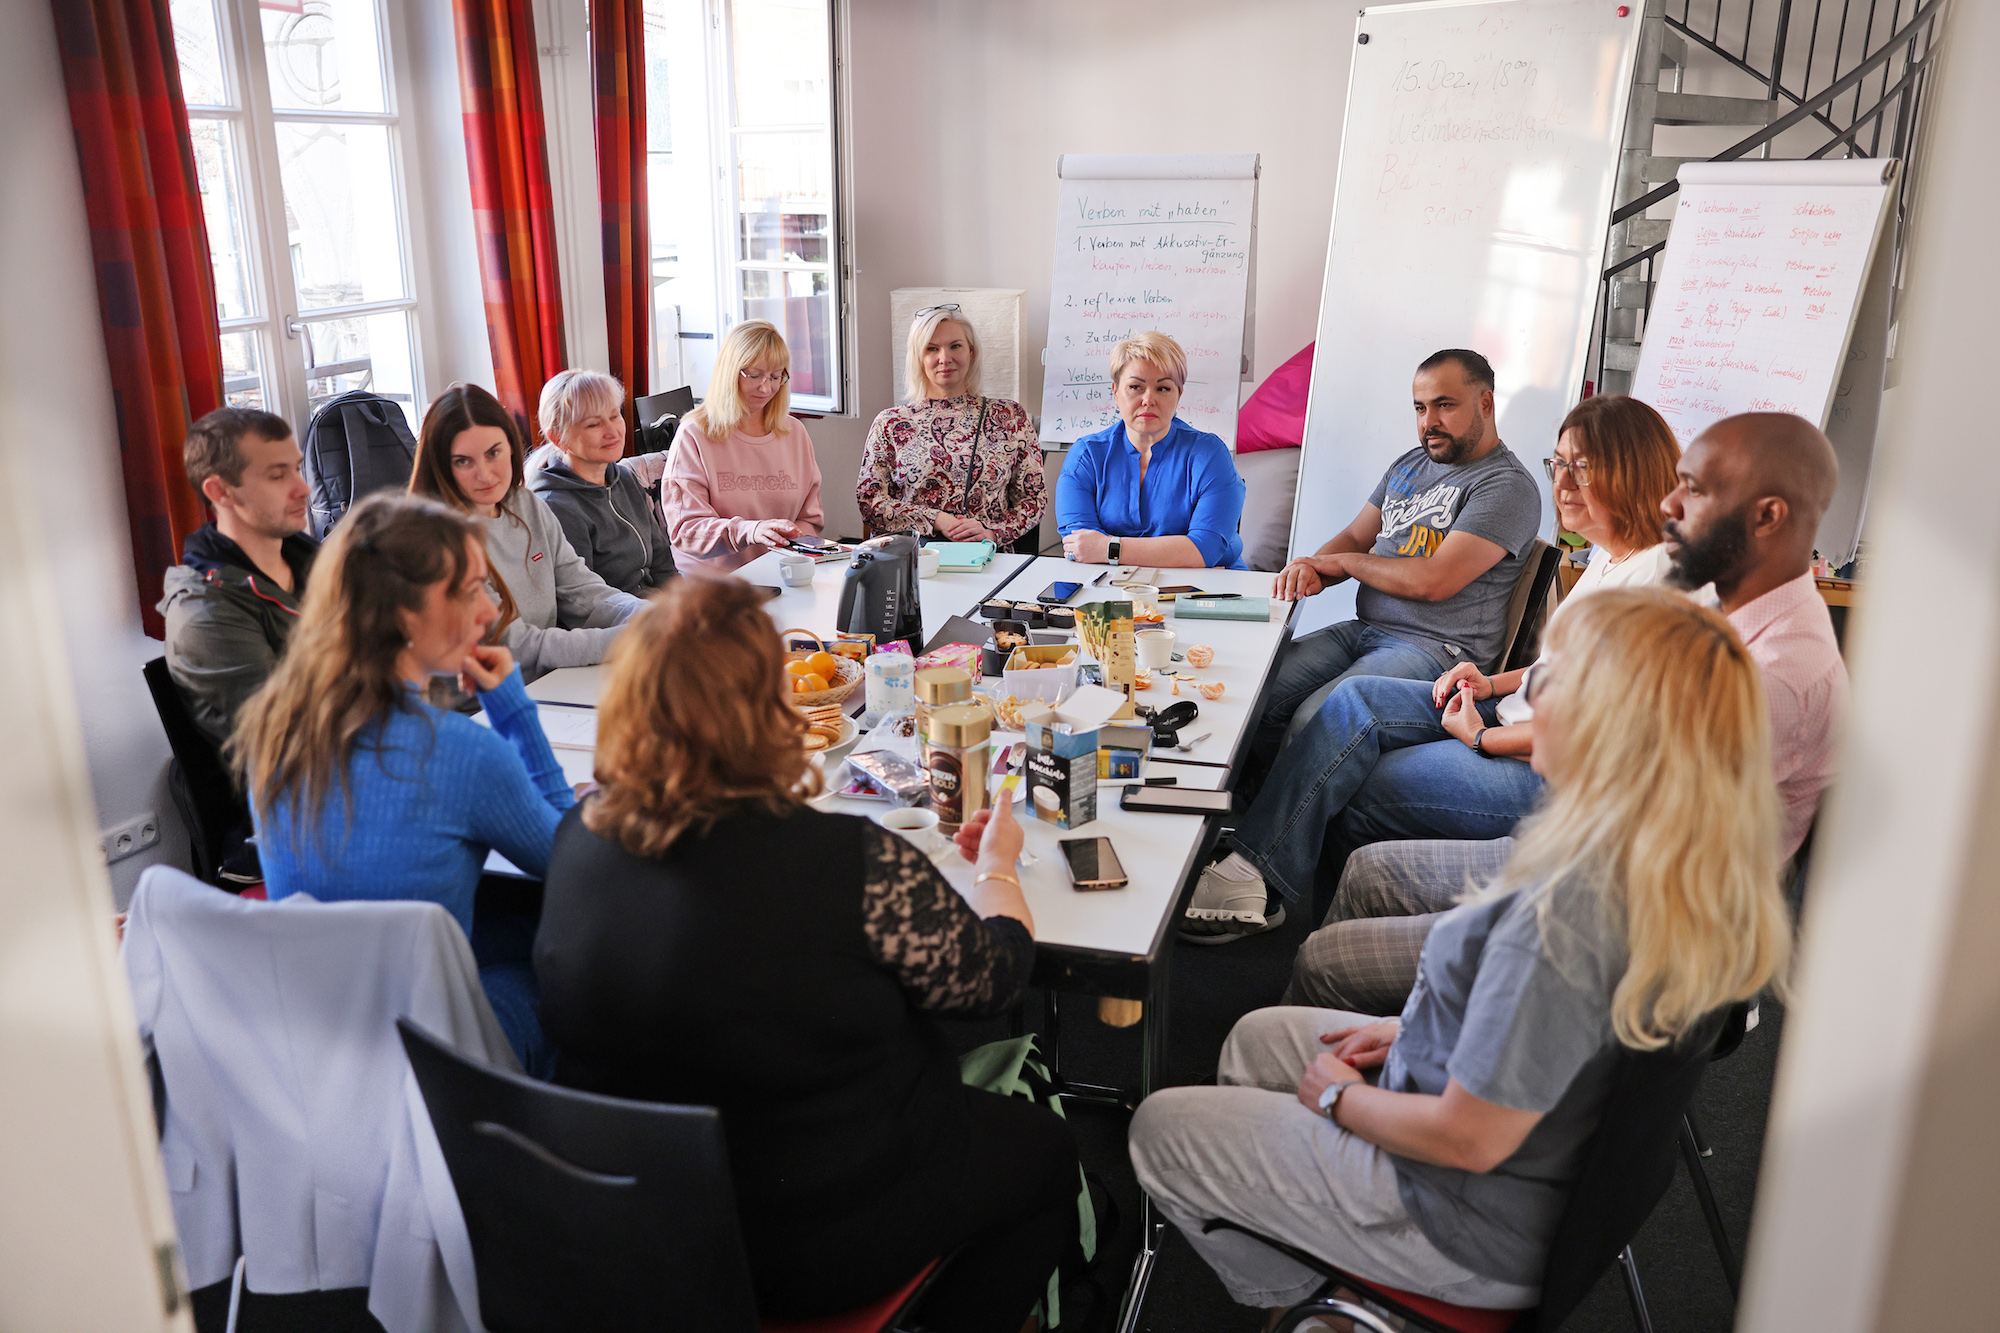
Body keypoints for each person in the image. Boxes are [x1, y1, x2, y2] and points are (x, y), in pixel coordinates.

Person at [1130, 588, 1793, 1320]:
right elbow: (1556, 1037)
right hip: (1523, 1168)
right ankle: (1310, 1249)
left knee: (1158, 1129)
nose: (1534, 691)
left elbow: (1470, 1137)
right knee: (1256, 1039)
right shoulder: (1671, 854)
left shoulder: (1568, 914)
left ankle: (1318, 1306)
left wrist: (1337, 1097)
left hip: (1460, 1212)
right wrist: (1416, 1030)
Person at [535, 578, 1078, 1332]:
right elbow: (993, 979)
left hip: (635, 1223)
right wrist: (998, 869)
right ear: (771, 709)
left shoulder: (577, 837)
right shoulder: (849, 861)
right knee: (1047, 1152)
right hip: (818, 1238)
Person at [1285, 410, 1847, 1014]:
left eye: (1697, 490)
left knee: (1328, 955)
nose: (1671, 504)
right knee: (1367, 865)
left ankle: (1401, 1067)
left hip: (1616, 913)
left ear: (1767, 515)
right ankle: (1395, 1053)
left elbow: (1608, 775)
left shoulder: (1772, 672)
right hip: (1594, 851)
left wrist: (1489, 739)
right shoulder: (1729, 613)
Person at [1184, 396, 1680, 943]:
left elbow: (1594, 735)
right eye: (1558, 464)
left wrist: (1485, 737)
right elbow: (1557, 668)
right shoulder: (1611, 555)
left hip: (1557, 774)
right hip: (1510, 716)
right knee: (1353, 704)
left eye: (1582, 468)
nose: (1561, 485)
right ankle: (1260, 878)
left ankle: (1319, 932)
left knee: (1357, 784)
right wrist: (1489, 683)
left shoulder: (1657, 583)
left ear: (1631, 472)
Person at [231, 493, 571, 1073]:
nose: (490, 611)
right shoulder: (462, 754)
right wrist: (513, 711)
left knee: (511, 924)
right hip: (434, 1062)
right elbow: (571, 862)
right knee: (565, 962)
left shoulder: (273, 730)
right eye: (468, 591)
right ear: (403, 615)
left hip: (319, 1034)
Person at [1255, 349, 1543, 757]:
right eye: (1421, 408)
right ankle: (1231, 808)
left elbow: (1433, 581)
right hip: (1365, 629)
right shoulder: (1409, 465)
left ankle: (1278, 821)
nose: (1429, 422)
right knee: (1255, 690)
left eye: (1445, 405)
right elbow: (1356, 536)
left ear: (1486, 403)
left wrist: (1345, 564)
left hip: (1434, 651)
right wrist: (1310, 566)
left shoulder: (1506, 485)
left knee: (1316, 717)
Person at [410, 382, 644, 681]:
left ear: (511, 446)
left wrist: (649, 617)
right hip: (478, 704)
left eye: (493, 453)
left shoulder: (525, 504)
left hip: (546, 682)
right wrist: (631, 638)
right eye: (463, 461)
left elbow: (583, 593)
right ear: (441, 465)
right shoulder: (437, 538)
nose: (485, 474)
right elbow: (514, 646)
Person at [160, 407, 319, 746]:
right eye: (278, 476)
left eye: (297, 469)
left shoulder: (316, 561)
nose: (303, 488)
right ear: (221, 492)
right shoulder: (204, 613)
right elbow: (293, 733)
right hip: (304, 785)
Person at [857, 305, 1048, 553]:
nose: (944, 358)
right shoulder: (890, 423)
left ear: (971, 351)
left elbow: (1034, 499)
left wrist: (992, 532)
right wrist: (936, 519)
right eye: (932, 348)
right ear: (918, 357)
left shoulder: (1010, 417)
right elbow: (869, 502)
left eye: (955, 346)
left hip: (988, 559)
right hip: (916, 561)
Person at [1055, 331, 1248, 570]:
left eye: (1163, 388)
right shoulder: (1087, 455)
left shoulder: (1209, 454)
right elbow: (1081, 547)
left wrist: (1108, 548)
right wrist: (1181, 553)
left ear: (1179, 395)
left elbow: (1204, 549)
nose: (1148, 399)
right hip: (1110, 583)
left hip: (1209, 587)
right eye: (1135, 387)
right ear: (1115, 392)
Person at [663, 320, 826, 572]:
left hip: (780, 572)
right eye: (755, 375)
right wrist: (748, 531)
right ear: (730, 371)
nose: (766, 387)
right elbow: (686, 530)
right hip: (714, 585)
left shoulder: (794, 433)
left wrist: (789, 542)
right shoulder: (694, 434)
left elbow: (810, 518)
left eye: (775, 376)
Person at [525, 368, 679, 596]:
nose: (612, 431)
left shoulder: (624, 477)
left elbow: (661, 561)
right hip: (618, 623)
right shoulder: (555, 505)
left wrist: (686, 604)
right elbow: (588, 602)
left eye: (615, 415)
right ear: (558, 437)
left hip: (655, 609)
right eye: (593, 425)